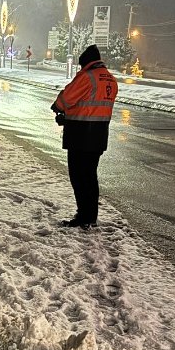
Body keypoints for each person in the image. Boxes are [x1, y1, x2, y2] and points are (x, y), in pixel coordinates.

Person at [51, 45, 118, 229]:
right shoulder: (111, 79)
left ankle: (83, 216)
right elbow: (90, 107)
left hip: (81, 136)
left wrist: (58, 108)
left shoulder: (87, 77)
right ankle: (91, 216)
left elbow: (66, 99)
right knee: (90, 175)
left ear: (86, 63)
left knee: (78, 176)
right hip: (99, 134)